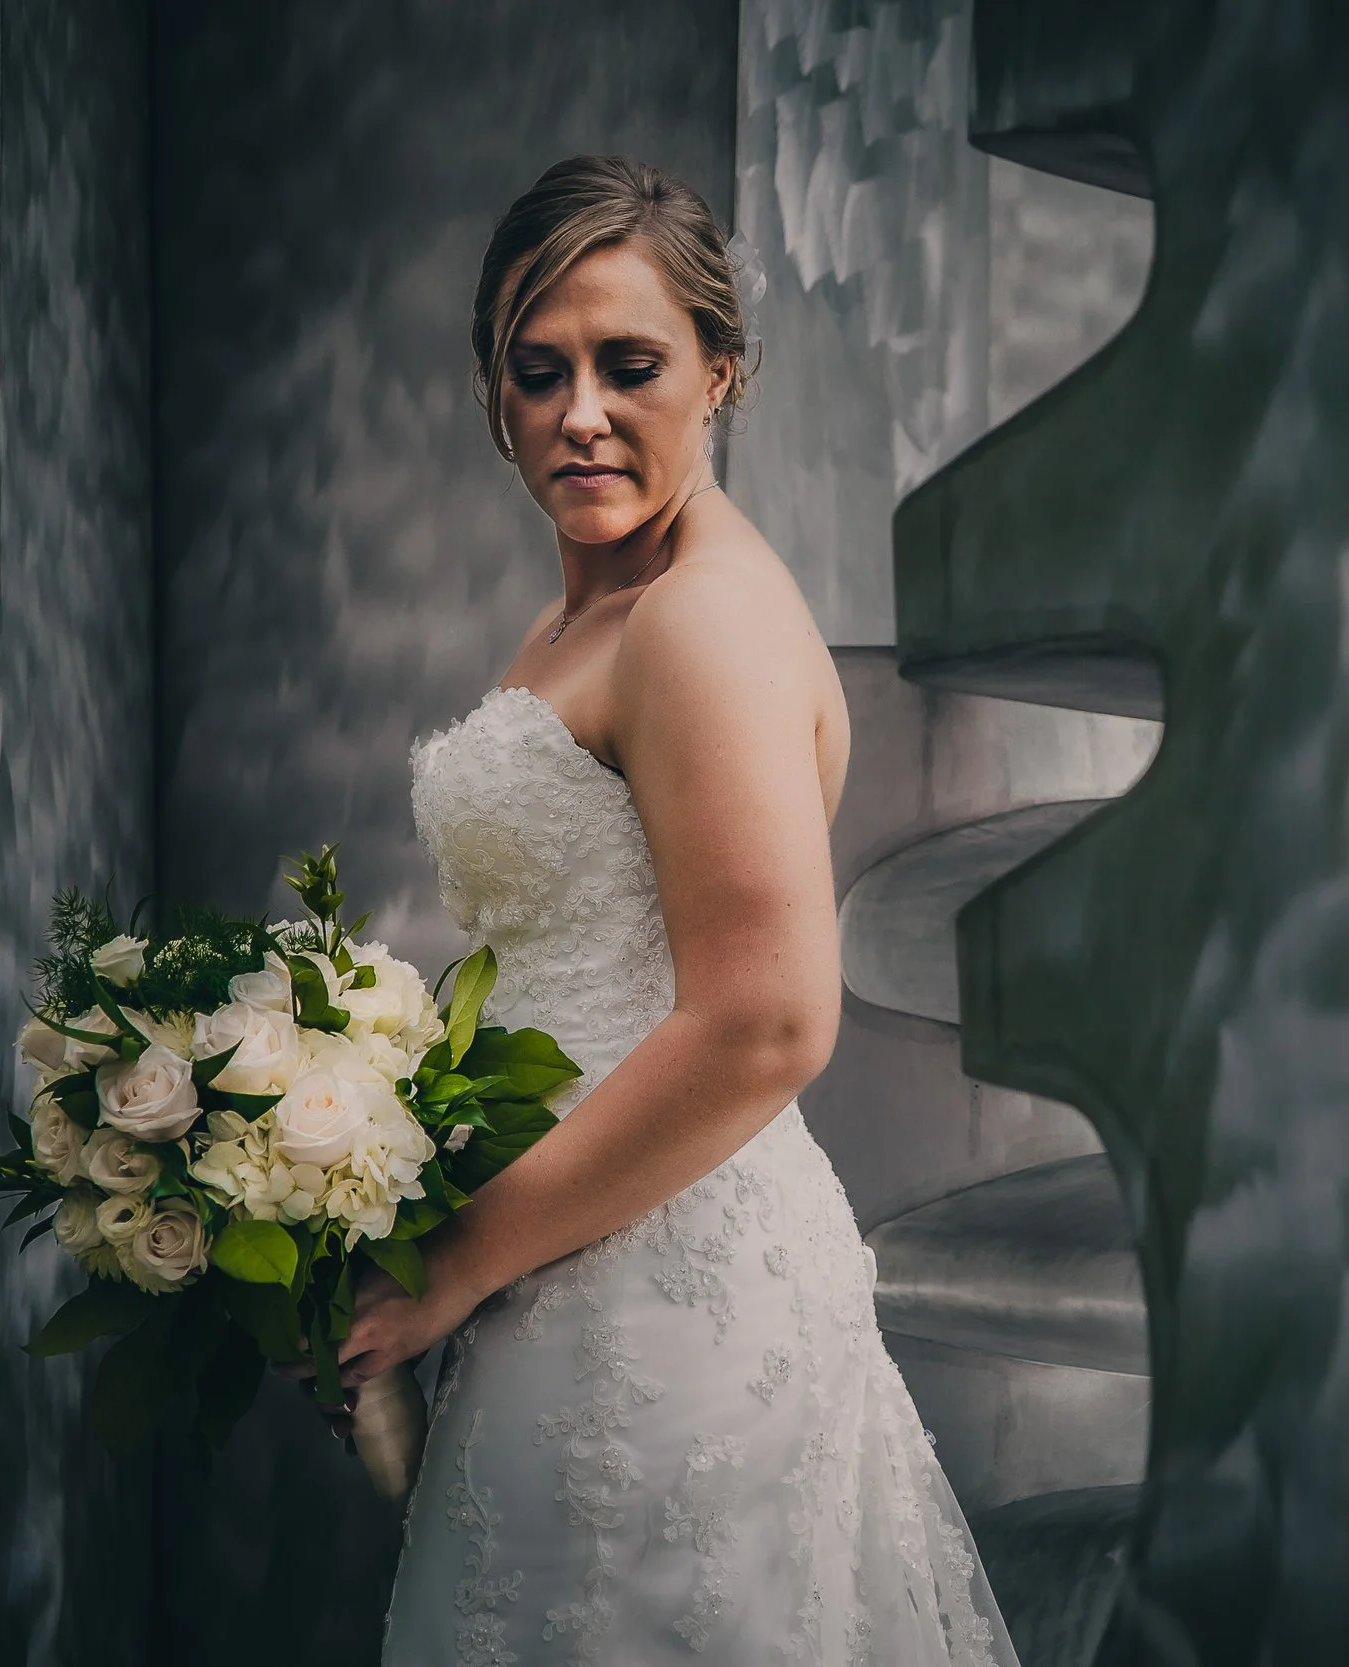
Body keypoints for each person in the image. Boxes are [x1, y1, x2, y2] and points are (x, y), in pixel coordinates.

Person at [362, 155, 1015, 1666]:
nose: (581, 411)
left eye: (629, 365)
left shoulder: (702, 618)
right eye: (541, 373)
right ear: (493, 395)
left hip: (667, 1301)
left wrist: (455, 1263)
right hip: (577, 1253)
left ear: (720, 373)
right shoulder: (589, 604)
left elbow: (769, 1017)